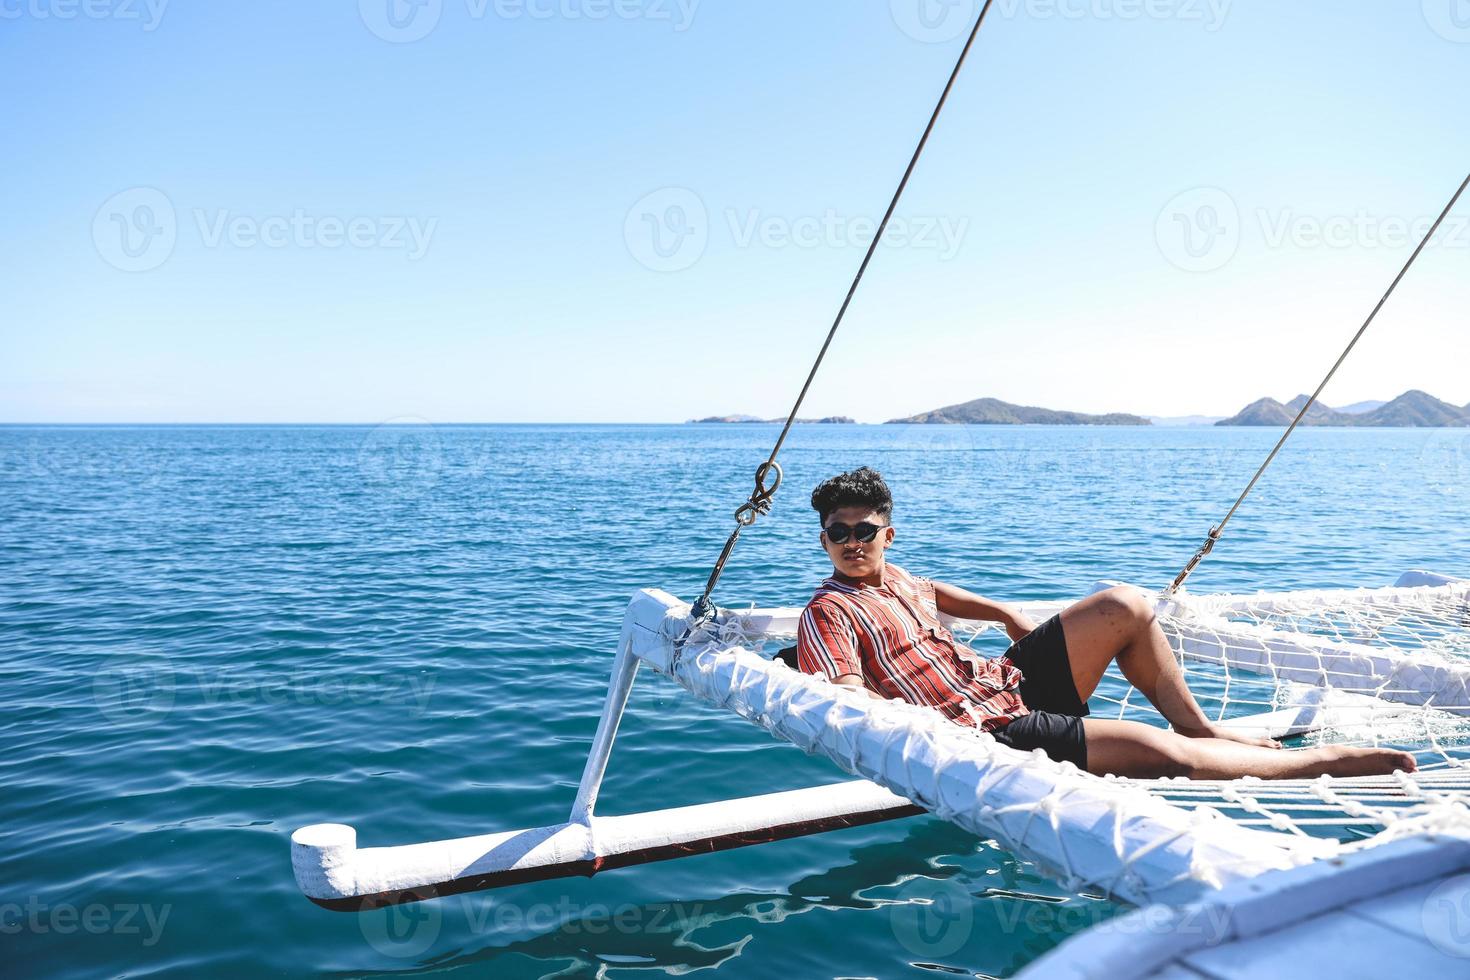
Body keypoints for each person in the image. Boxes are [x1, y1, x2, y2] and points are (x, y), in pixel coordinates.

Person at [795, 466, 1416, 779]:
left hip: (1003, 682)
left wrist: (1007, 612)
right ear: (823, 541)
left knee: (1126, 604)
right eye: (837, 534)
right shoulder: (827, 611)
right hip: (983, 732)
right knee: (1152, 752)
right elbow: (848, 695)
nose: (852, 542)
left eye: (864, 531)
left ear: (886, 535)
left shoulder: (898, 576)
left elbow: (934, 590)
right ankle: (1324, 763)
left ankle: (1201, 726)